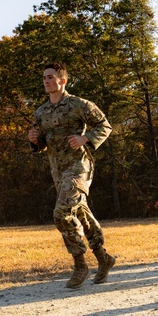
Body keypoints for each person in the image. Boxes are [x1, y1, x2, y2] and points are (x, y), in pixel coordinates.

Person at [28, 61, 117, 289]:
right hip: (58, 170)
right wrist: (35, 142)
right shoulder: (41, 112)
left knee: (61, 213)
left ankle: (80, 265)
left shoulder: (78, 104)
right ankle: (103, 257)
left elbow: (104, 126)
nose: (46, 81)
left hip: (79, 167)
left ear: (62, 80)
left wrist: (85, 139)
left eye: (51, 77)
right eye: (44, 77)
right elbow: (43, 144)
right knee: (80, 213)